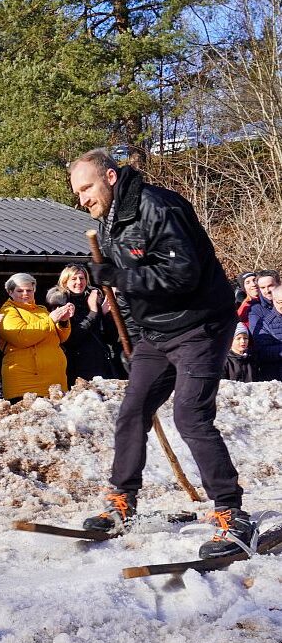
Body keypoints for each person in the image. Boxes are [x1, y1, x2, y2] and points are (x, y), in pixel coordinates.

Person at [70, 148, 250, 558]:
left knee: (191, 414)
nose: (82, 199)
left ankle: (232, 515)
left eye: (87, 188)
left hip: (201, 324)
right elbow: (129, 299)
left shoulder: (158, 207)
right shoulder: (110, 222)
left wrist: (116, 275)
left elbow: (182, 274)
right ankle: (122, 502)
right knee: (133, 410)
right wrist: (135, 345)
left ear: (110, 177)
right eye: (78, 192)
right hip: (157, 332)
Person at [0, 273, 72, 402]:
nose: (25, 294)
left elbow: (60, 338)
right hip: (25, 383)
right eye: (20, 290)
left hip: (54, 381)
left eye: (29, 290)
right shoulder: (7, 311)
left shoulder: (42, 310)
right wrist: (51, 320)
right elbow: (22, 337)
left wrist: (63, 321)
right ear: (10, 292)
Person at [56, 263, 115, 384]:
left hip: (100, 362)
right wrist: (93, 312)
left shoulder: (92, 299)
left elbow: (109, 337)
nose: (79, 282)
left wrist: (105, 314)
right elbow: (72, 338)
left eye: (81, 278)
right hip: (77, 365)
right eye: (74, 278)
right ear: (65, 282)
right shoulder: (61, 303)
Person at [249, 284, 282, 381]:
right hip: (276, 378)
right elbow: (261, 352)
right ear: (274, 301)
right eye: (280, 302)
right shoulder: (265, 323)